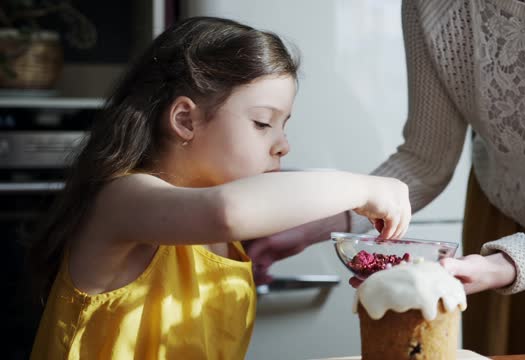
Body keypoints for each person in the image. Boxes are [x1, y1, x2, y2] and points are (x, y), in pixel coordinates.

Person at [244, 0, 525, 354]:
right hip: (495, 227)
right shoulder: (433, 6)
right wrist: (312, 226)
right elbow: (424, 159)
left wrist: (502, 266)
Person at [27, 16, 412, 360]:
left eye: (284, 125)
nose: (283, 144)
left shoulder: (219, 232)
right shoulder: (123, 200)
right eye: (263, 123)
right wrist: (362, 187)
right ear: (185, 120)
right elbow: (227, 212)